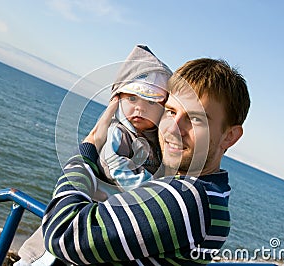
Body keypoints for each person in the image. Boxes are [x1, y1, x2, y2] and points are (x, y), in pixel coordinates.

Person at [41, 56, 251, 265]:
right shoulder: (214, 196)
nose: (172, 128)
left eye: (195, 119)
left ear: (229, 136)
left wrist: (89, 148)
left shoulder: (187, 199)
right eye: (170, 111)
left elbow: (62, 234)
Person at [97, 45, 172, 194]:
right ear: (118, 98)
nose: (140, 108)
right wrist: (156, 190)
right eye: (132, 98)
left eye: (151, 102)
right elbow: (116, 168)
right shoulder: (119, 133)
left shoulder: (158, 138)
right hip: (111, 203)